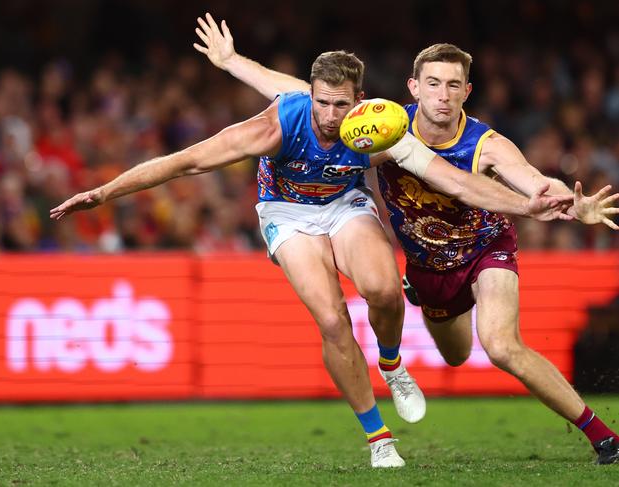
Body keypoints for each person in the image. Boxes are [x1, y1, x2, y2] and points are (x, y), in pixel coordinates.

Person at [52, 45, 571, 470]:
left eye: (340, 105)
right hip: (286, 211)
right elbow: (184, 162)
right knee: (331, 317)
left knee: (386, 289)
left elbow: (454, 180)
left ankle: (391, 364)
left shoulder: (379, 129)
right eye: (321, 102)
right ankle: (379, 439)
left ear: (359, 102)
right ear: (311, 95)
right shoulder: (276, 124)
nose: (329, 116)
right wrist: (103, 193)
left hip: (345, 204)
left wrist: (528, 204)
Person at [192, 14, 619, 465]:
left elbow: (533, 181)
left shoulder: (486, 145)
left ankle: (602, 436)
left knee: (500, 344)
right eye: (433, 83)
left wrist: (573, 205)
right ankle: (414, 295)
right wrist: (232, 60)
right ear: (413, 88)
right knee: (455, 356)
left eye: (454, 85)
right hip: (428, 265)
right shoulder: (383, 124)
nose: (443, 94)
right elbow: (299, 92)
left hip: (484, 247)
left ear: (466, 93)